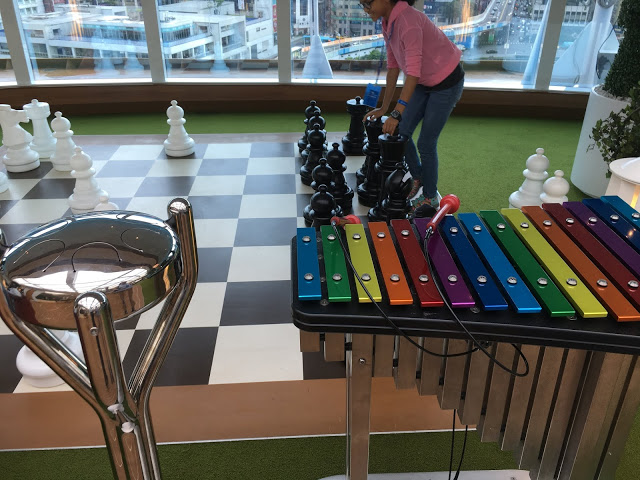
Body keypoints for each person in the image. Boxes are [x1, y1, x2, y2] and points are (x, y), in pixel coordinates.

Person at [363, 0, 465, 211]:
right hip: (423, 81)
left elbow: (412, 72)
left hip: (446, 82)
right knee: (402, 132)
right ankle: (418, 177)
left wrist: (397, 112)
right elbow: (393, 67)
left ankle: (430, 197)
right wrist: (385, 108)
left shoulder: (408, 22)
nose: (365, 9)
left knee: (426, 144)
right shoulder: (387, 23)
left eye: (367, 2)